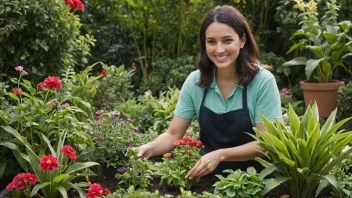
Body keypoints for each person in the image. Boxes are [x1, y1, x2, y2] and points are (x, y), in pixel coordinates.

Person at [137, 5, 282, 179]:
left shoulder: (262, 81)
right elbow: (173, 134)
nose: (219, 49)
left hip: (256, 181)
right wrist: (150, 148)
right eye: (211, 42)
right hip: (208, 180)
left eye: (227, 40)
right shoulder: (196, 82)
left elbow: (267, 144)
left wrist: (220, 155)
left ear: (242, 40)